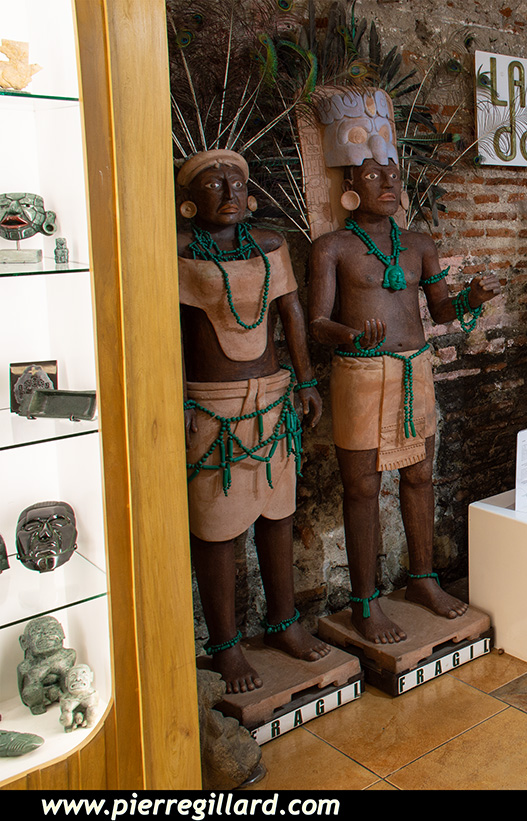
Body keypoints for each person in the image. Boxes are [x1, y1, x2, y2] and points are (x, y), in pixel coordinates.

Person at [309, 156, 499, 644]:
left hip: (415, 370)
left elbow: (440, 310)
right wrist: (352, 336)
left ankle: (422, 580)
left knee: (418, 477)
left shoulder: (418, 244)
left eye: (394, 175)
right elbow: (317, 324)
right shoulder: (332, 247)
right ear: (350, 184)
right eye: (374, 176)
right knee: (362, 488)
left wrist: (471, 298)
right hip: (360, 375)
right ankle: (365, 603)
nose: (388, 183)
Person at [177, 149, 328, 693]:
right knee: (215, 526)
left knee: (278, 513)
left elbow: (291, 314)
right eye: (213, 185)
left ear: (252, 195)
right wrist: (173, 400)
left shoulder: (269, 245)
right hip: (209, 405)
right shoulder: (177, 252)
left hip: (272, 399)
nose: (229, 193)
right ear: (188, 203)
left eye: (237, 183)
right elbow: (168, 331)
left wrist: (306, 380)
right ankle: (226, 645)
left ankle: (283, 622)